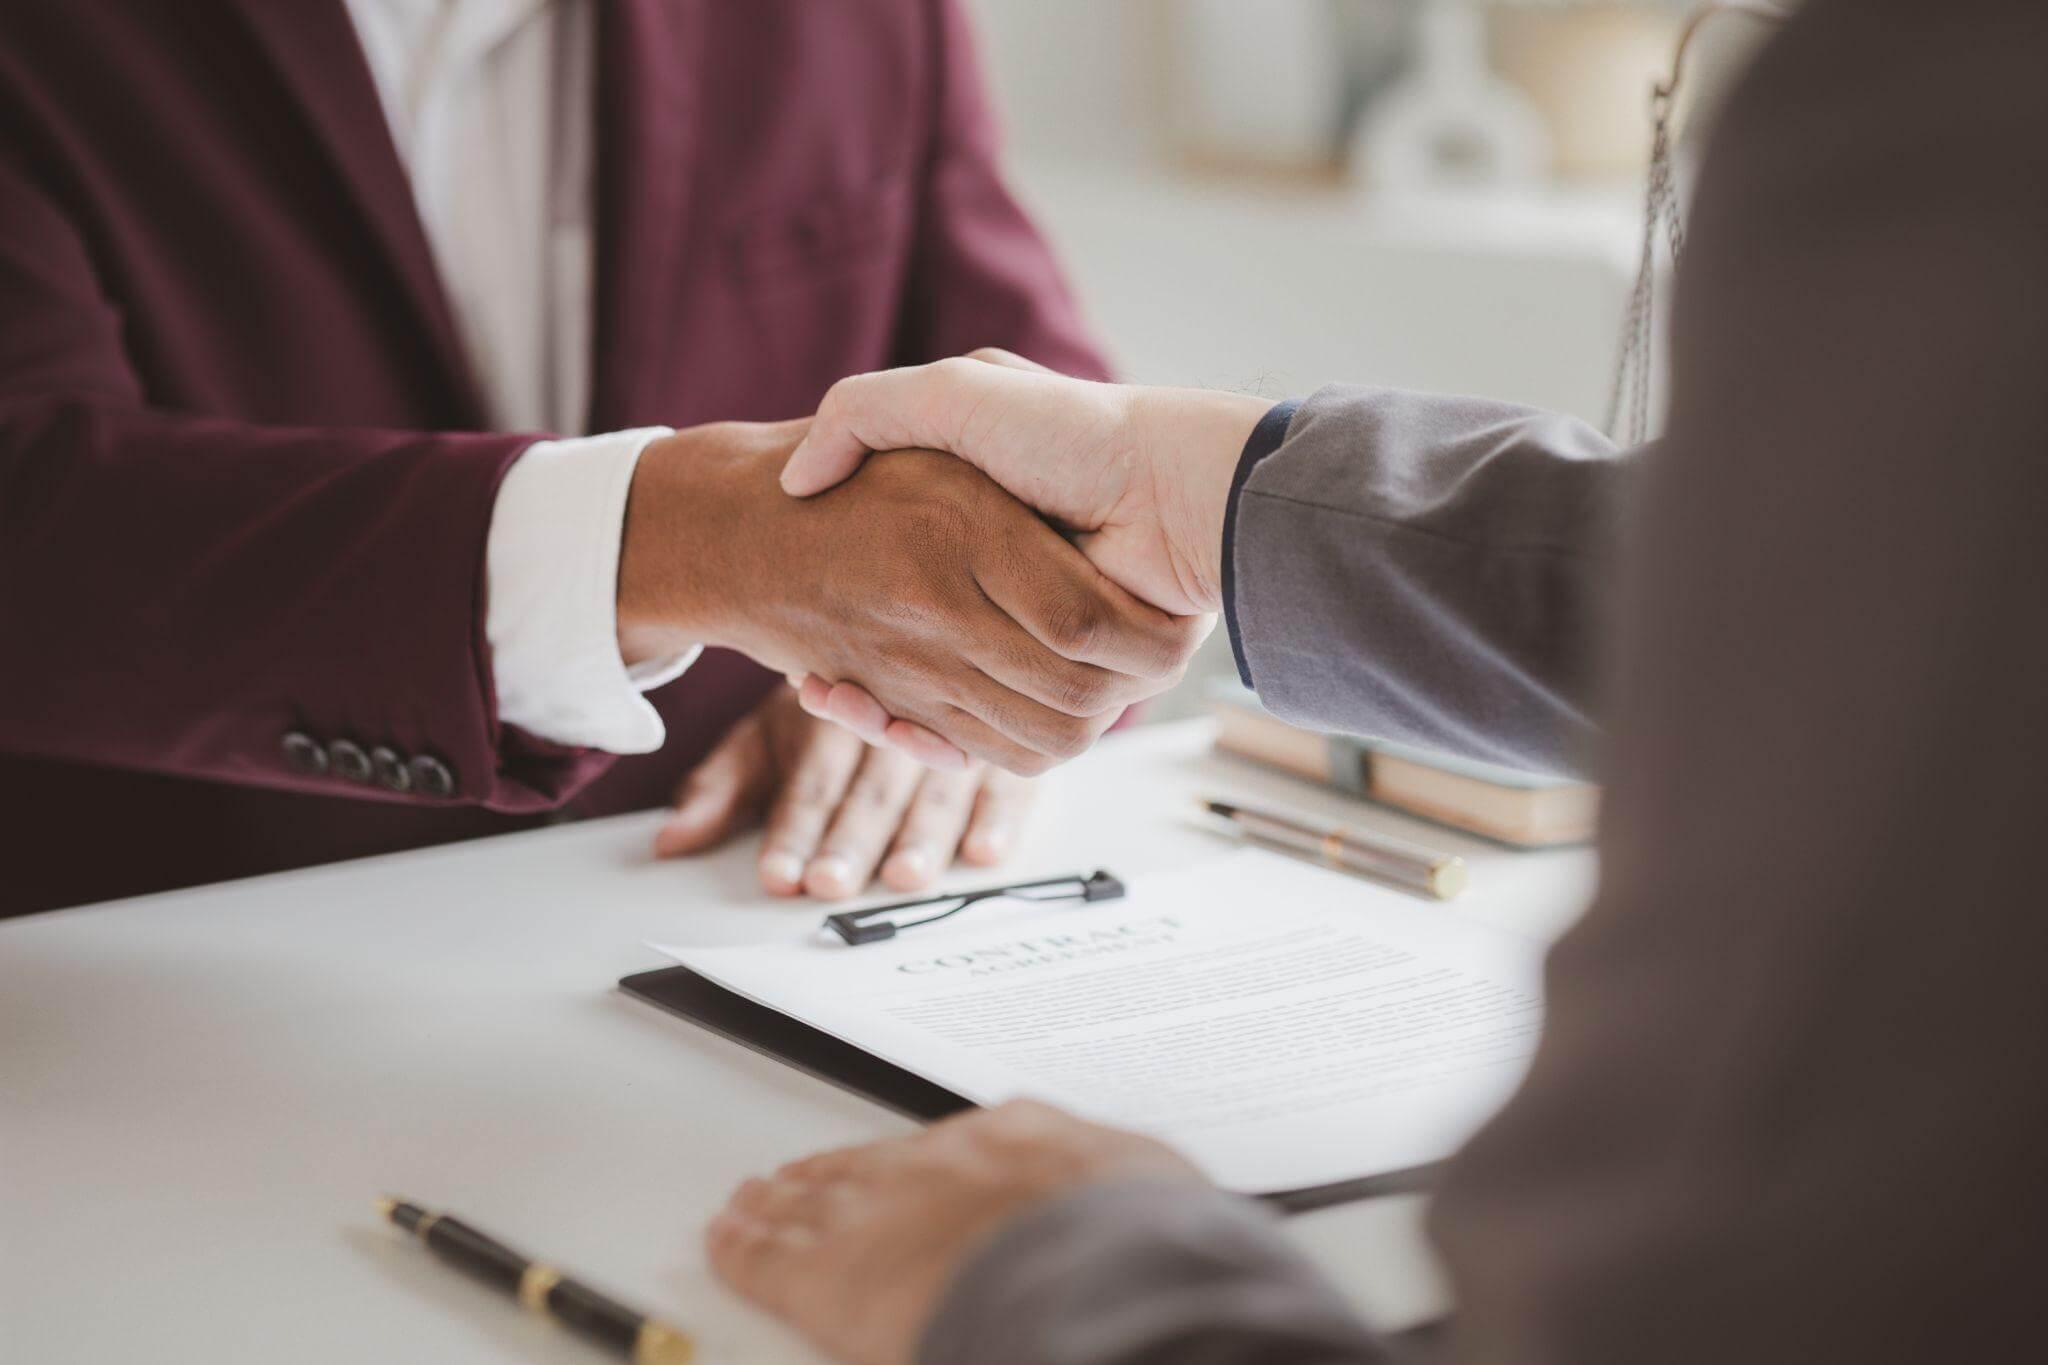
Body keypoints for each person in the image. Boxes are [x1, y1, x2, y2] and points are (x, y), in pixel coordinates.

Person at [702, 1, 2048, 1362]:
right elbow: (1861, 578)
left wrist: (1082, 1279)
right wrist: (1215, 498)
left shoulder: (1958, 105)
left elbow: (1724, 1299)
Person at [0, 0, 1201, 915]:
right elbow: (38, 522)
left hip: (754, 923)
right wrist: (677, 539)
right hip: (145, 1002)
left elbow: (1061, 457)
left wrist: (947, 689)